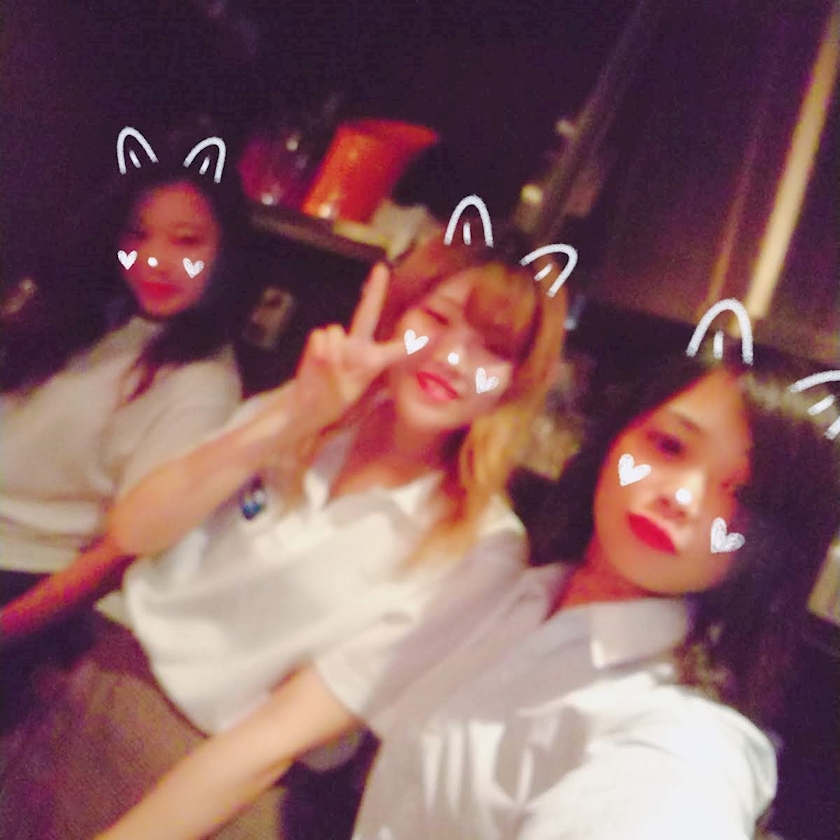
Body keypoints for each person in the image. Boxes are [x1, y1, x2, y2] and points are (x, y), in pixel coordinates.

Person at [0, 230, 567, 839]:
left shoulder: (482, 548)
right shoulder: (313, 413)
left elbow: (275, 737)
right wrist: (294, 416)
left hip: (209, 776)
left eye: (492, 349)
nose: (452, 359)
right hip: (97, 684)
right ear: (398, 312)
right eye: (436, 319)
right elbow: (136, 529)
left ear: (516, 381)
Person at [343, 346, 840, 840]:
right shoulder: (517, 587)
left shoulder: (680, 749)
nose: (681, 497)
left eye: (742, 495)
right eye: (669, 446)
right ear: (614, 439)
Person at [0, 121, 246, 601]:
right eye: (137, 234)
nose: (153, 259)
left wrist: (9, 628)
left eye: (186, 240)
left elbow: (119, 555)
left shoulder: (201, 382)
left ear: (225, 253)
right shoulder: (92, 317)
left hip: (25, 571)